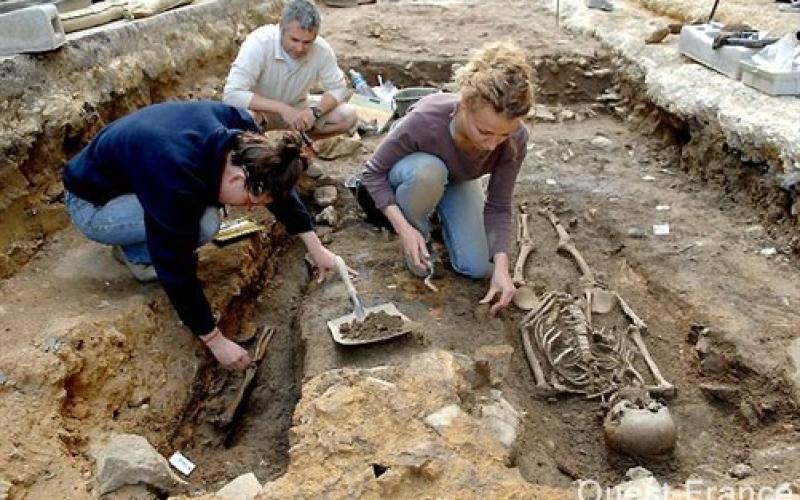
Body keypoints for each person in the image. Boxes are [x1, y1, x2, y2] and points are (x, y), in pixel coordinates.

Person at [62, 100, 341, 370]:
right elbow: (175, 264)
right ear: (236, 180)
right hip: (92, 204)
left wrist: (315, 248)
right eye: (248, 203)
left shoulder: (243, 134)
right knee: (201, 225)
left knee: (200, 218)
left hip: (133, 178)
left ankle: (133, 241)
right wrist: (214, 339)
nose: (246, 208)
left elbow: (274, 185)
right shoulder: (176, 179)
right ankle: (136, 255)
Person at [359, 42, 533, 316]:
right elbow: (372, 173)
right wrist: (405, 229)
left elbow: (499, 205)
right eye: (485, 132)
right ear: (464, 106)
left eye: (503, 135)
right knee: (429, 172)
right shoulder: (425, 120)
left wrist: (501, 265)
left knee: (478, 267)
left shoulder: (515, 139)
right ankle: (420, 235)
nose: (492, 145)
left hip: (458, 180)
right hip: (415, 173)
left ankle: (443, 214)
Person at [223, 0, 357, 138]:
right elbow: (232, 94)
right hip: (259, 111)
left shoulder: (321, 50)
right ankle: (259, 149)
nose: (300, 48)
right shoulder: (259, 43)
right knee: (242, 119)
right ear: (281, 28)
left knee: (347, 116)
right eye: (294, 40)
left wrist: (315, 112)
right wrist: (282, 109)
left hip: (298, 110)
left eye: (307, 42)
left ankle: (298, 142)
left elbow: (338, 88)